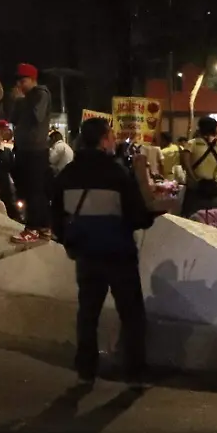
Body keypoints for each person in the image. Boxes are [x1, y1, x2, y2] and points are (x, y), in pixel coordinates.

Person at [52, 116, 154, 385]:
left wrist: (71, 242)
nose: (113, 140)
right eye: (111, 136)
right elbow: (138, 216)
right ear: (103, 139)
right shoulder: (117, 173)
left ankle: (85, 368)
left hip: (85, 254)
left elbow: (56, 219)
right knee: (131, 313)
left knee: (88, 312)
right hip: (118, 253)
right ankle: (134, 370)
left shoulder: (67, 174)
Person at [9, 64, 55, 242]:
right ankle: (44, 226)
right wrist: (17, 101)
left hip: (35, 150)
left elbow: (37, 116)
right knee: (33, 189)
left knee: (34, 191)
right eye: (18, 81)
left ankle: (33, 229)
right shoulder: (25, 97)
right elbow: (13, 119)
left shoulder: (41, 94)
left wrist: (21, 100)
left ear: (33, 79)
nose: (20, 84)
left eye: (23, 80)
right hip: (24, 149)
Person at [179, 117, 217, 217]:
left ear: (199, 128)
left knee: (191, 221)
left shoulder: (192, 144)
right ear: (215, 129)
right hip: (216, 191)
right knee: (216, 221)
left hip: (195, 191)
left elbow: (185, 163)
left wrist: (193, 178)